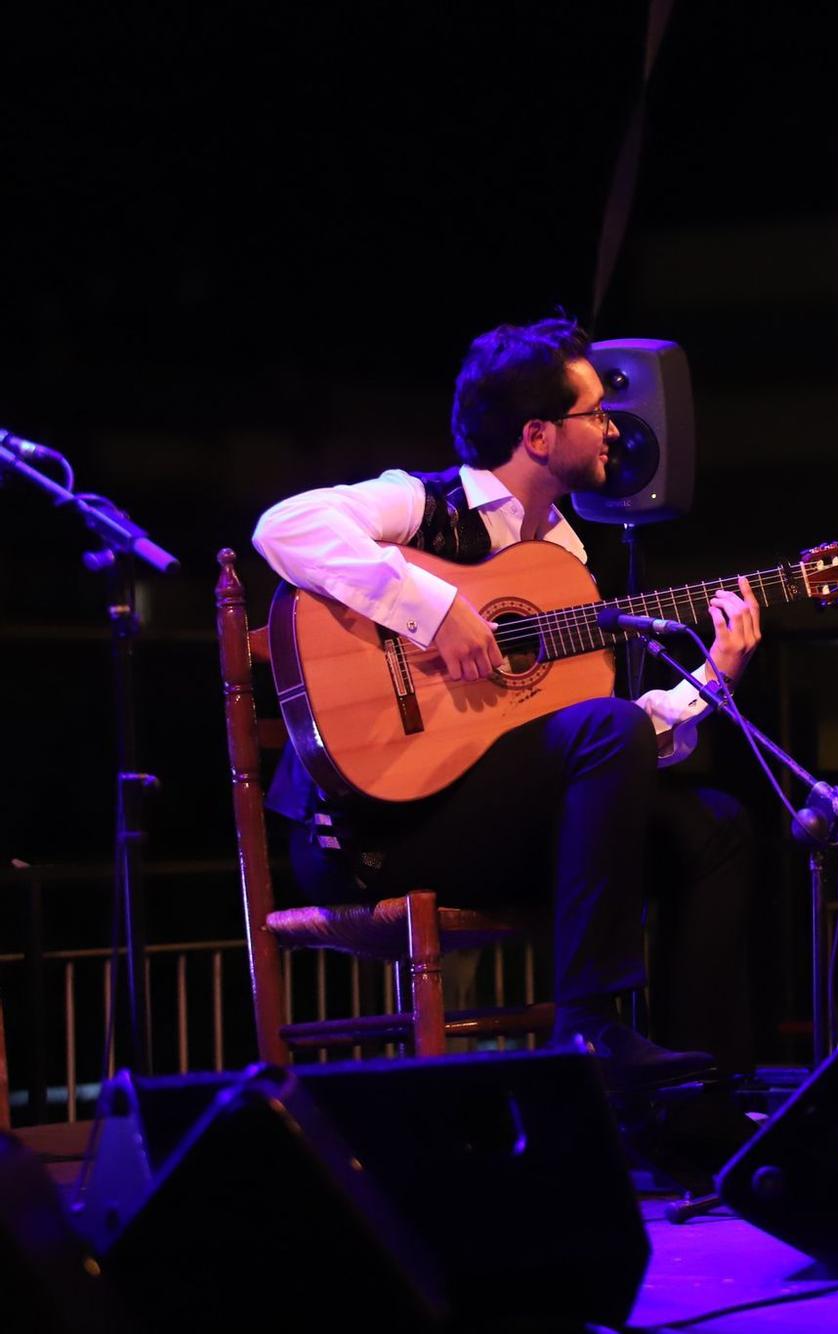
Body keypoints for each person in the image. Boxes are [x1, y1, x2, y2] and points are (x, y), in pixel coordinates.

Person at [253, 316, 760, 1086]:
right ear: (538, 435)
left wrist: (710, 683)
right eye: (594, 413)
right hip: (371, 831)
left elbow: (597, 744)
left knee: (715, 827)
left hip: (484, 821)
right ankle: (590, 1027)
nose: (613, 433)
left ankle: (702, 1093)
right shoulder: (420, 505)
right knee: (608, 732)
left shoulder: (563, 557)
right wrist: (434, 609)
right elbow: (282, 527)